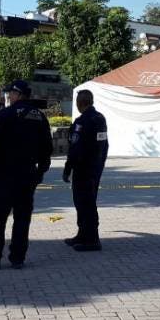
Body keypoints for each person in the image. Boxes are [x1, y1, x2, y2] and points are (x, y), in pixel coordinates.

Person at [0, 80, 53, 270]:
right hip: (27, 174)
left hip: (3, 174)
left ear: (18, 95)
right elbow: (47, 148)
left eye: (11, 93)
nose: (9, 96)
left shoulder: (6, 114)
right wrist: (40, 172)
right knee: (22, 218)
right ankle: (18, 258)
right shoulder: (39, 117)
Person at [62, 89, 109, 252]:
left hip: (83, 169)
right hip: (95, 168)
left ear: (80, 103)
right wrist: (99, 165)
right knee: (87, 202)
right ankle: (83, 234)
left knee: (84, 203)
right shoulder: (100, 119)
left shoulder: (82, 122)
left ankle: (91, 239)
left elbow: (74, 148)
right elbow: (105, 145)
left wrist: (67, 168)